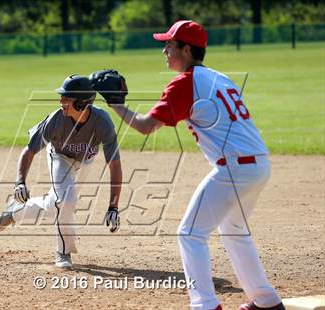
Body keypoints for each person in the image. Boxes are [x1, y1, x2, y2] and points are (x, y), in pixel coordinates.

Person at [104, 20, 285, 310]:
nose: (164, 50)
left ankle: (205, 304)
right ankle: (266, 301)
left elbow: (146, 126)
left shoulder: (185, 83)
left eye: (169, 45)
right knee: (234, 229)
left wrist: (115, 104)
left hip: (235, 169)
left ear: (186, 50)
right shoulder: (218, 77)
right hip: (258, 165)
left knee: (190, 233)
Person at [0, 75, 122, 268]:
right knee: (67, 201)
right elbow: (30, 150)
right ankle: (63, 251)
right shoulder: (56, 120)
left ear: (81, 103)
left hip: (85, 160)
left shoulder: (103, 123)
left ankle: (15, 212)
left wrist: (113, 206)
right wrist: (20, 181)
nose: (61, 102)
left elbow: (115, 166)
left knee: (56, 205)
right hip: (59, 156)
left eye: (66, 98)